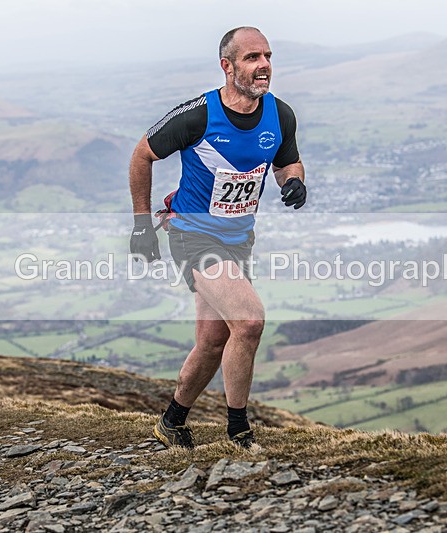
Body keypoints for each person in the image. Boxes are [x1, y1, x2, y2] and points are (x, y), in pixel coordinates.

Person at [128, 26, 306, 449]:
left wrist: (293, 181)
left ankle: (172, 422)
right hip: (193, 237)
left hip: (238, 240)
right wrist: (140, 225)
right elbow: (142, 154)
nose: (263, 65)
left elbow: (288, 162)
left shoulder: (279, 115)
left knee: (212, 342)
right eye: (251, 58)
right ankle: (239, 432)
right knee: (248, 321)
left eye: (267, 56)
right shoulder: (199, 115)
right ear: (227, 67)